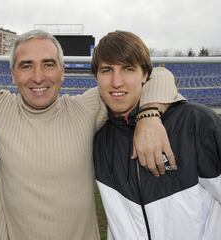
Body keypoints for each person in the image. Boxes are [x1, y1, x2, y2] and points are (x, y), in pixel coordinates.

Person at [0, 30, 183, 240]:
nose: (38, 77)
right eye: (27, 66)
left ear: (62, 72)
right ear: (12, 73)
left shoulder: (87, 107)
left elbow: (158, 75)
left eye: (48, 65)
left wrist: (149, 115)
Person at [93, 30, 221, 240]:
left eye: (128, 69)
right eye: (107, 70)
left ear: (145, 75)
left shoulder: (195, 123)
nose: (117, 81)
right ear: (96, 76)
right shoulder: (99, 139)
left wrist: (149, 115)